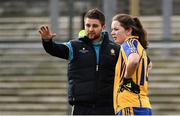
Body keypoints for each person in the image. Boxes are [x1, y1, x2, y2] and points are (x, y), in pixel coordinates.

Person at [38, 8, 120, 115]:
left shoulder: (115, 49)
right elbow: (55, 49)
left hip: (107, 107)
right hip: (81, 107)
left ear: (103, 27)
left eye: (95, 26)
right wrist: (47, 41)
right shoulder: (74, 46)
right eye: (88, 25)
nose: (90, 29)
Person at [111, 14, 152, 115]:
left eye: (116, 29)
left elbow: (134, 60)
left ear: (128, 30)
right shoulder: (140, 47)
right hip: (142, 104)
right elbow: (150, 65)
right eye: (112, 29)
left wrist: (127, 79)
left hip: (129, 105)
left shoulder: (128, 43)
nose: (112, 33)